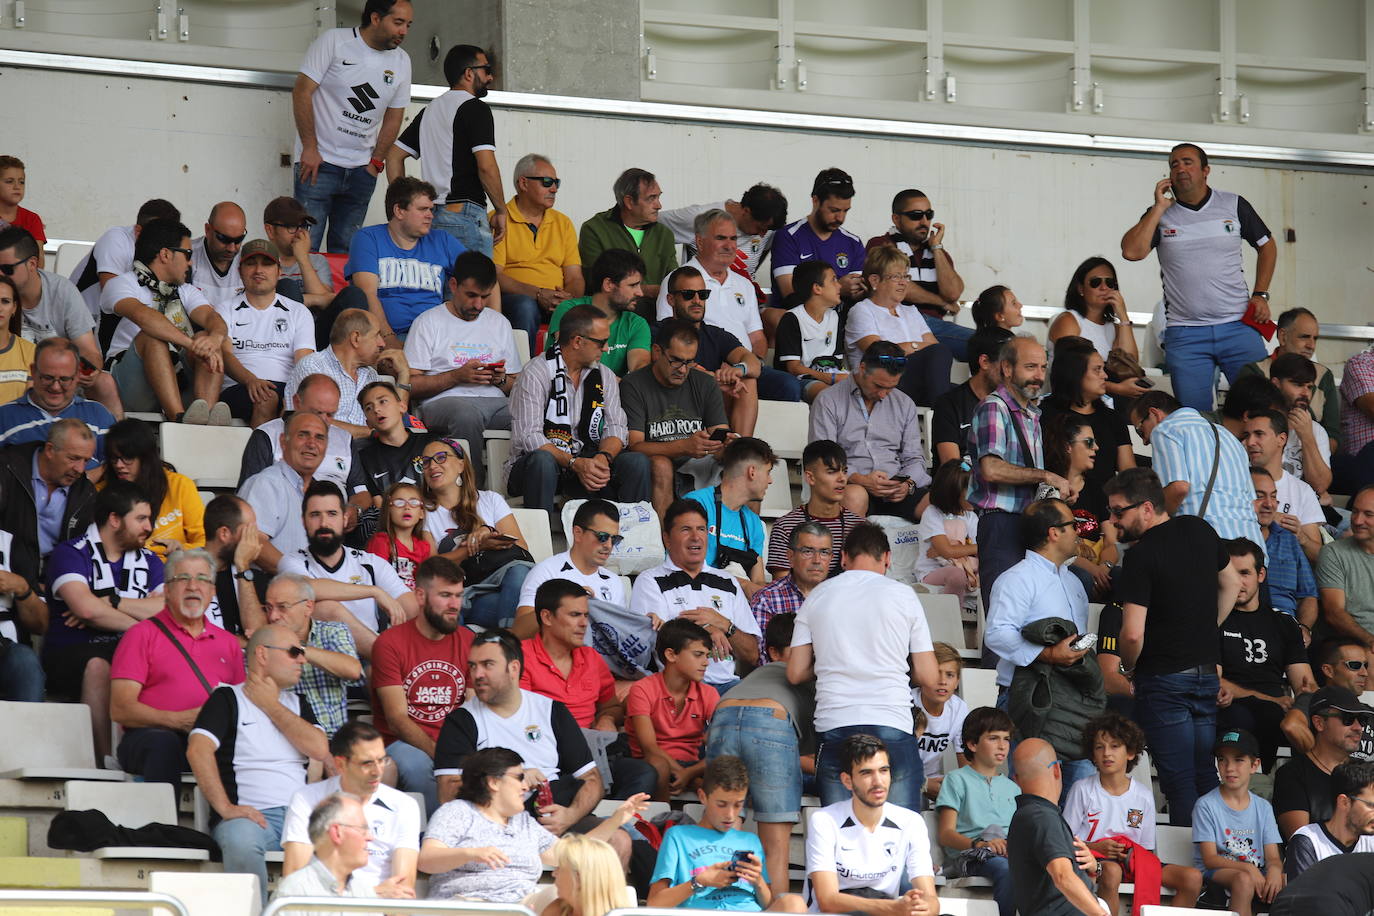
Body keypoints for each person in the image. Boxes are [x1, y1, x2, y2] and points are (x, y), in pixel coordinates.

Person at [1106, 467, 1241, 825]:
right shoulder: (1199, 528)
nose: (1113, 521)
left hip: (1163, 679)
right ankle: (1216, 854)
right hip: (1204, 672)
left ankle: (1195, 857)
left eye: (1119, 512)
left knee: (1180, 782)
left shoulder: (1141, 555)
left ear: (1147, 508)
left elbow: (1131, 635)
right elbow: (1232, 583)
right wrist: (1207, 627)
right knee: (1205, 775)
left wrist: (1128, 667)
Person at [432, 631, 629, 862]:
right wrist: (513, 781)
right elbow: (448, 793)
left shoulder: (551, 710)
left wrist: (570, 815)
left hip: (554, 818)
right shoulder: (462, 720)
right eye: (473, 666)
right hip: (493, 826)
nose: (477, 674)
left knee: (619, 840)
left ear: (514, 668)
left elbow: (592, 779)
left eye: (487, 665)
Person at [788, 522, 938, 809]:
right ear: (887, 558)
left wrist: (830, 662)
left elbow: (795, 672)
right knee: (898, 828)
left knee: (842, 829)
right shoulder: (904, 595)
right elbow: (929, 676)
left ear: (844, 557)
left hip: (835, 723)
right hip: (892, 721)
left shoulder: (818, 595)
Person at [1120, 142, 1275, 411]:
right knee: (1194, 416)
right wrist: (1158, 208)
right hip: (1185, 334)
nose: (1180, 168)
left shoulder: (1233, 204)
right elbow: (1131, 252)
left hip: (1238, 326)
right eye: (1174, 164)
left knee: (1260, 409)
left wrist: (1260, 294)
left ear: (1206, 170)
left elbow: (1267, 246)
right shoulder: (1160, 214)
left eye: (1187, 162)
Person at [186, 623, 330, 904]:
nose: (302, 659)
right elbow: (197, 750)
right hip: (251, 818)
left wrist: (270, 705)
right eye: (294, 652)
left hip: (299, 818)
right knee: (241, 840)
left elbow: (319, 748)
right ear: (262, 654)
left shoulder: (298, 702)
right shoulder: (227, 698)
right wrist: (225, 808)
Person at [419, 746, 646, 902]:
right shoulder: (457, 811)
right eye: (519, 777)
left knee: (569, 900)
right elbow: (426, 861)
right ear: (494, 782)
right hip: (468, 905)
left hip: (523, 906)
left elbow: (569, 853)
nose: (525, 786)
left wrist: (617, 819)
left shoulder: (523, 822)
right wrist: (471, 853)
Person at [985, 498, 1102, 793]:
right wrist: (1048, 654)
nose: (1078, 532)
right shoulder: (1017, 578)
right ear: (1054, 533)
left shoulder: (1075, 582)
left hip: (1074, 699)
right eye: (1072, 525)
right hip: (1031, 697)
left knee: (1079, 794)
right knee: (1037, 795)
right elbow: (997, 634)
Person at [42, 481, 165, 763]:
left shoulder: (150, 561)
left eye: (149, 519)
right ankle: (106, 762)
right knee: (99, 666)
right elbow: (86, 610)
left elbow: (165, 611)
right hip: (72, 653)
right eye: (141, 519)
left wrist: (111, 602)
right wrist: (141, 625)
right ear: (114, 519)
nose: (149, 527)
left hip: (132, 650)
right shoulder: (71, 552)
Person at [110, 548, 245, 784]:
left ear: (212, 591)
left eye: (202, 579)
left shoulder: (229, 643)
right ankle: (163, 811)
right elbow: (121, 709)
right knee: (163, 743)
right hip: (150, 738)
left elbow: (242, 708)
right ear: (167, 590)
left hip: (208, 739)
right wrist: (178, 720)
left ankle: (231, 810)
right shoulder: (141, 634)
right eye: (183, 578)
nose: (193, 586)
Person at [706, 613, 816, 899]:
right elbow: (814, 758)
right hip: (772, 718)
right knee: (775, 846)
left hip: (723, 716)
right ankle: (776, 910)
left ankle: (721, 906)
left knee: (725, 832)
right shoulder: (812, 675)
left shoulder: (758, 673)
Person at [518, 578, 656, 800]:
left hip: (591, 750)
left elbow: (610, 706)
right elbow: (521, 720)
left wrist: (607, 718)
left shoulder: (591, 657)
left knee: (644, 773)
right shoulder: (521, 658)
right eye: (575, 615)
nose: (584, 623)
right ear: (547, 617)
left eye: (586, 615)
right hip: (544, 753)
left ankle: (614, 820)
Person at [506, 302, 649, 513]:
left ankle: (634, 531)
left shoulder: (604, 375)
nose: (606, 348)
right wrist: (574, 463)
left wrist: (603, 458)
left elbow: (616, 428)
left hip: (588, 458)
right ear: (577, 341)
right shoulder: (536, 372)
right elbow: (530, 437)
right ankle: (540, 533)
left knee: (636, 462)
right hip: (540, 466)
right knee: (542, 461)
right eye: (601, 342)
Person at [292, 0, 412, 253]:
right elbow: (302, 92)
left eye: (408, 25)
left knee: (347, 254)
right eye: (398, 22)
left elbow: (394, 117)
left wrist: (376, 162)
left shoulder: (402, 60)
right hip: (318, 165)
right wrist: (310, 148)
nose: (404, 31)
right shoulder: (334, 41)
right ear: (376, 18)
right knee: (305, 249)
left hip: (361, 172)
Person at [969, 336, 1072, 617]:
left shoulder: (1031, 414)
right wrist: (1047, 477)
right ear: (1007, 368)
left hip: (1025, 523)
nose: (1039, 376)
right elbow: (991, 468)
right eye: (1030, 367)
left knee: (1029, 616)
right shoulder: (994, 407)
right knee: (1005, 616)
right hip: (1001, 523)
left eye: (1043, 367)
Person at [1063, 712, 1204, 915]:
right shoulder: (1083, 789)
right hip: (1095, 861)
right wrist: (1096, 847)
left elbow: (1146, 848)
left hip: (1133, 861)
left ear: (1130, 752)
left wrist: (1129, 854)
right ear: (1092, 754)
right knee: (1112, 871)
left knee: (1192, 878)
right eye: (1099, 747)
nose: (1106, 753)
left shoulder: (1143, 795)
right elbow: (1065, 840)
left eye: (1115, 746)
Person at [403, 249, 518, 488]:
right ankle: (471, 492)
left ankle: (517, 487)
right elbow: (410, 385)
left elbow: (516, 384)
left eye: (485, 297)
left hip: (495, 403)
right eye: (471, 295)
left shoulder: (499, 323)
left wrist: (499, 379)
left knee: (527, 413)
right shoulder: (428, 322)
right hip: (444, 403)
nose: (478, 304)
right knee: (466, 415)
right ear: (453, 285)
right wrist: (456, 376)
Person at [369, 556, 473, 815]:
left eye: (458, 596)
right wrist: (440, 753)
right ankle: (437, 834)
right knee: (418, 765)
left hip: (453, 741)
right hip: (402, 743)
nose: (454, 605)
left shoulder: (469, 640)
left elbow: (473, 708)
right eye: (445, 595)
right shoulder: (390, 643)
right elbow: (397, 719)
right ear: (420, 596)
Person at [101, 218, 231, 424]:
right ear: (165, 254)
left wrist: (214, 339)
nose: (191, 263)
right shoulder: (121, 284)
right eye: (188, 254)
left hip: (177, 375)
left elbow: (212, 318)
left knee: (205, 337)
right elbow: (145, 317)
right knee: (153, 337)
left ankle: (204, 418)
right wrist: (191, 344)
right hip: (130, 385)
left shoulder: (186, 291)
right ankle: (177, 419)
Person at [646, 754, 808, 912]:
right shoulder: (678, 836)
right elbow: (654, 904)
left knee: (794, 902)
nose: (730, 815)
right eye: (722, 804)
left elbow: (767, 905)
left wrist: (758, 881)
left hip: (749, 910)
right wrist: (700, 881)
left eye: (738, 805)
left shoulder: (750, 840)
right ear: (703, 797)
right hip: (703, 911)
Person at [630, 499, 761, 692]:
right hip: (680, 687)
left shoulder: (728, 581)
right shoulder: (650, 580)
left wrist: (725, 625)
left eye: (701, 529)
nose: (695, 537)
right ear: (667, 539)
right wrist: (707, 630)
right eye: (686, 530)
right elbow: (656, 641)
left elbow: (752, 654)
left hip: (728, 686)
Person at [388, 43, 506, 256]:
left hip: (431, 217)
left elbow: (394, 155)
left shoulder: (429, 111)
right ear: (469, 73)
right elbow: (486, 166)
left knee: (440, 278)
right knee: (476, 278)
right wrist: (501, 210)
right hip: (464, 215)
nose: (490, 77)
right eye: (486, 70)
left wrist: (405, 203)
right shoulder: (475, 108)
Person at [279, 480, 415, 659]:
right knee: (325, 608)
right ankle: (391, 660)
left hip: (370, 662)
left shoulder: (370, 563)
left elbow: (412, 608)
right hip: (317, 662)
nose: (324, 523)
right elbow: (307, 588)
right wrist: (375, 591)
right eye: (315, 515)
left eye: (332, 514)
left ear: (344, 519)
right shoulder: (292, 561)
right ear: (303, 521)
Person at [281, 721, 421, 896]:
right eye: (367, 763)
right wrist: (372, 894)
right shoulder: (307, 799)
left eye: (382, 760)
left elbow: (403, 890)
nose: (378, 771)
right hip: (321, 906)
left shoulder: (404, 805)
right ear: (340, 764)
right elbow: (294, 879)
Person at [805, 734, 938, 916]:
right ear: (847, 781)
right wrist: (893, 908)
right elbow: (827, 901)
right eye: (866, 773)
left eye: (883, 770)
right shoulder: (824, 820)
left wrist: (921, 908)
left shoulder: (912, 821)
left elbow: (931, 900)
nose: (878, 782)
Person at [0, 226, 121, 417]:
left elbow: (89, 351)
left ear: (32, 264)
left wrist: (88, 371)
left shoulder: (62, 291)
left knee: (104, 382)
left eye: (7, 269)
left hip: (60, 379)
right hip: (14, 376)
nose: (1, 275)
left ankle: (117, 436)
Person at [1218, 538, 1317, 769]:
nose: (1237, 582)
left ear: (1261, 575)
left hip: (1278, 710)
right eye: (1231, 574)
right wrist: (1272, 700)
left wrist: (1301, 706)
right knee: (1257, 715)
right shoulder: (1214, 620)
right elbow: (1214, 679)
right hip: (1232, 706)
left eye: (1245, 573)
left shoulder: (1284, 623)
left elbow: (1306, 683)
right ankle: (1260, 779)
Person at [810, 340, 931, 520]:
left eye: (891, 388)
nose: (883, 395)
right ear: (862, 368)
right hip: (849, 486)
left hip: (895, 489)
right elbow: (823, 459)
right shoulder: (828, 400)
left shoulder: (904, 403)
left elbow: (914, 458)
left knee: (940, 503)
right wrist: (859, 479)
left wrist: (907, 484)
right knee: (855, 496)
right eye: (878, 386)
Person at [418, 437, 531, 628]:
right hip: (468, 591)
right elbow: (431, 568)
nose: (432, 466)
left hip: (507, 579)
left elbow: (521, 548)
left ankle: (508, 639)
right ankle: (511, 640)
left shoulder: (490, 500)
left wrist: (488, 531)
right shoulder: (423, 513)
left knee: (519, 573)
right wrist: (475, 547)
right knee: (517, 607)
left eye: (441, 457)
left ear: (461, 465)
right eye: (426, 462)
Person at [621, 320, 730, 517]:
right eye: (676, 360)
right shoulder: (634, 384)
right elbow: (635, 446)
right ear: (657, 352)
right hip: (659, 467)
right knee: (661, 464)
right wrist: (683, 447)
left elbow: (719, 432)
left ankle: (747, 534)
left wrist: (727, 445)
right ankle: (665, 535)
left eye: (689, 362)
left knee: (748, 459)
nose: (682, 370)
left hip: (700, 464)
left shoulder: (706, 383)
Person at [337, 176, 465, 345]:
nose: (430, 215)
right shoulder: (368, 238)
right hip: (383, 337)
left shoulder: (442, 239)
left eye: (431, 209)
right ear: (399, 211)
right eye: (423, 209)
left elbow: (480, 276)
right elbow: (367, 294)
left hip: (435, 337)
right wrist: (389, 339)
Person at [1130, 391, 1265, 547]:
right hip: (1251, 545)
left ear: (1154, 414)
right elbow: (1253, 503)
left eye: (1140, 430)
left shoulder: (1165, 429)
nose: (1144, 441)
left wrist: (1149, 524)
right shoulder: (1230, 438)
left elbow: (1178, 488)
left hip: (1206, 543)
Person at [214, 239, 315, 427]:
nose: (258, 270)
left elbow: (305, 363)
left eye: (267, 264)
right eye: (251, 263)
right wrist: (251, 380)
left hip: (286, 387)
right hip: (238, 387)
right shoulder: (224, 309)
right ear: (240, 271)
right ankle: (261, 447)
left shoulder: (299, 312)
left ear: (279, 271)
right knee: (266, 397)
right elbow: (224, 354)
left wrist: (292, 397)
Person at [652, 210, 770, 370]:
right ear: (700, 242)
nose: (729, 246)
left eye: (733, 238)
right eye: (721, 238)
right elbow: (668, 337)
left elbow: (757, 338)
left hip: (744, 367)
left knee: (786, 382)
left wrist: (752, 366)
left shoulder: (745, 284)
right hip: (702, 370)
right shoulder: (677, 280)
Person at [662, 264, 767, 437]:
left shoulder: (716, 334)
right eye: (688, 294)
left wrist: (737, 370)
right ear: (671, 300)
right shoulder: (658, 331)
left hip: (708, 404)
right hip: (669, 404)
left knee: (747, 380)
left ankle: (741, 446)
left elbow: (754, 364)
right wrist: (715, 379)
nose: (697, 301)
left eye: (703, 294)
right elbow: (665, 367)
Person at [843, 245, 953, 408]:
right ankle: (940, 415)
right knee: (939, 355)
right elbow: (879, 353)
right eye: (896, 277)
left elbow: (934, 347)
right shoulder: (862, 310)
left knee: (964, 394)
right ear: (875, 280)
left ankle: (940, 411)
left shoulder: (911, 311)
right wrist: (917, 346)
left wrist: (907, 347)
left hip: (916, 382)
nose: (903, 283)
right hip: (881, 382)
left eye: (906, 276)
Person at [865, 188, 969, 359]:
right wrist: (942, 302)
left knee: (990, 345)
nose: (924, 221)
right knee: (984, 344)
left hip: (932, 326)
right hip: (900, 319)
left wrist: (937, 248)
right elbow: (900, 286)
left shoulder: (936, 251)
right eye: (916, 215)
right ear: (896, 219)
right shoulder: (881, 244)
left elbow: (953, 293)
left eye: (929, 215)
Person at [1007, 737, 1106, 916]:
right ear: (1056, 770)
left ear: (1016, 780)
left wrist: (1092, 868)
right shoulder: (1041, 816)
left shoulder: (1033, 815)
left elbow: (1058, 888)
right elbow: (1062, 876)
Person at [935, 707, 1020, 916]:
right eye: (993, 738)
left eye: (1006, 739)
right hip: (971, 855)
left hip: (1008, 853)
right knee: (1007, 869)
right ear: (972, 744)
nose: (1002, 746)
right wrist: (980, 844)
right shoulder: (956, 779)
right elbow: (946, 834)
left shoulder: (1013, 788)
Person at [494, 153, 584, 349]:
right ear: (523, 183)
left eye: (556, 183)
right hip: (516, 299)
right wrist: (538, 294)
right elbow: (495, 275)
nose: (554, 189)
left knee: (588, 309)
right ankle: (523, 366)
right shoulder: (499, 219)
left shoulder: (563, 222)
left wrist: (567, 298)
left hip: (556, 300)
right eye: (547, 182)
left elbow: (575, 277)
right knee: (525, 306)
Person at [1041, 338, 1136, 521]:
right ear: (1075, 373)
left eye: (1103, 369)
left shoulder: (1112, 418)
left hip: (1105, 513)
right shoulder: (1044, 415)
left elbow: (1128, 475)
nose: (1105, 376)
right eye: (1097, 369)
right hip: (1053, 510)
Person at [1192, 729, 1285, 916]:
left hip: (1256, 872)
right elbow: (1210, 859)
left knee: (1289, 881)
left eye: (1238, 760)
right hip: (1216, 872)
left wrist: (1275, 871)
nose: (1229, 768)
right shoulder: (1206, 805)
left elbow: (1273, 857)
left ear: (1254, 765)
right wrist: (1248, 868)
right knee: (1244, 880)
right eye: (1222, 760)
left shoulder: (1263, 807)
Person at [627, 618, 719, 800]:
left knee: (733, 761)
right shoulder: (642, 689)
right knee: (658, 764)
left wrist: (689, 773)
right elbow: (649, 747)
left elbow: (723, 745)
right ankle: (664, 815)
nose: (706, 662)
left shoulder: (709, 693)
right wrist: (683, 775)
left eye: (707, 656)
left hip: (692, 766)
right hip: (650, 765)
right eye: (698, 655)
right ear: (671, 655)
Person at [0, 416, 97, 587]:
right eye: (73, 458)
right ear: (50, 450)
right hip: (6, 579)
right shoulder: (7, 469)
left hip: (53, 587)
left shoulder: (85, 493)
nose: (80, 469)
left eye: (86, 461)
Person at [263, 573, 363, 737]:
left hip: (336, 740)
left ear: (308, 607)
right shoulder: (264, 645)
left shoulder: (332, 631)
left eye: (282, 607)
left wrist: (297, 648)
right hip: (289, 742)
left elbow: (353, 670)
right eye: (268, 608)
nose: (273, 616)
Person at [285, 308, 409, 438]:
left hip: (369, 448)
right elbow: (313, 421)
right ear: (355, 338)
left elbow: (394, 421)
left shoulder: (371, 374)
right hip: (325, 447)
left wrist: (404, 374)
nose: (382, 343)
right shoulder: (313, 367)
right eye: (376, 335)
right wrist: (374, 434)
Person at [512, 498, 627, 638]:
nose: (608, 545)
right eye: (602, 537)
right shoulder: (546, 572)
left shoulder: (615, 582)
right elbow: (519, 632)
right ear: (578, 533)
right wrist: (563, 602)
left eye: (614, 539)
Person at [275, 794, 416, 904]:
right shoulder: (295, 892)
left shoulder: (362, 890)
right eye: (363, 829)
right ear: (337, 833)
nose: (370, 837)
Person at [238, 373, 360, 499]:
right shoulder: (266, 435)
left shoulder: (345, 438)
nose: (323, 421)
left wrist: (354, 508)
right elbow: (250, 494)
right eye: (317, 412)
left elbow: (360, 490)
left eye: (330, 415)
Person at [1272, 685, 1370, 839]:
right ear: (1319, 723)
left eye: (1362, 720)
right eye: (1348, 719)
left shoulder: (1367, 773)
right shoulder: (1292, 775)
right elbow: (1304, 843)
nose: (1358, 727)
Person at [99, 418, 204, 559]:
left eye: (127, 458)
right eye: (114, 458)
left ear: (146, 457)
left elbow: (204, 541)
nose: (119, 465)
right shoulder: (102, 492)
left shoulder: (180, 485)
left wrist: (182, 549)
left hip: (174, 566)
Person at [1236, 307, 1340, 448]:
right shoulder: (1254, 372)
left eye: (1315, 338)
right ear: (1283, 336)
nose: (1311, 345)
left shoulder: (1323, 376)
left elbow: (1333, 437)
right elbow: (1240, 426)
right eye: (1304, 337)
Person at [239, 410, 330, 571]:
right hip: (273, 583)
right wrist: (305, 578)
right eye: (302, 435)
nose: (311, 444)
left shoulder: (322, 493)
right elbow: (255, 543)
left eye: (319, 437)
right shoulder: (266, 484)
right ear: (283, 442)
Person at [70, 198, 180, 330]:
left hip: (122, 325)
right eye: (158, 237)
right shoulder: (115, 239)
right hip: (83, 322)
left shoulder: (168, 251)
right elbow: (112, 295)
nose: (165, 244)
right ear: (138, 231)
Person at [1050, 258, 1152, 399]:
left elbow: (1130, 363)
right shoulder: (1069, 320)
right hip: (1075, 400)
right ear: (1080, 289)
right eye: (1095, 282)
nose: (1104, 288)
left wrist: (1123, 316)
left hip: (1108, 399)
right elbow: (1070, 372)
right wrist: (1117, 388)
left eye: (1109, 283)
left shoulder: (1116, 327)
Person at [769, 168, 866, 313]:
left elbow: (859, 296)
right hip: (798, 323)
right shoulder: (788, 236)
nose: (840, 218)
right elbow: (791, 297)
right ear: (815, 201)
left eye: (845, 211)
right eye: (834, 210)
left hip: (842, 323)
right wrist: (838, 287)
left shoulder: (853, 242)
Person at [0, 337, 116, 458]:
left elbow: (116, 466)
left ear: (77, 375)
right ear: (33, 371)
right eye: (48, 378)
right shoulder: (4, 417)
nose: (55, 387)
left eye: (64, 379)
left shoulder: (98, 415)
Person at [685, 436, 773, 596]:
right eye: (768, 472)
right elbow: (685, 566)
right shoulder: (697, 504)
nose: (770, 481)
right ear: (752, 472)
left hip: (735, 604)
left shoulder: (753, 522)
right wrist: (742, 583)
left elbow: (758, 581)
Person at [546, 248, 652, 376]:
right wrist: (613, 383)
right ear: (608, 284)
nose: (640, 293)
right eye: (633, 285)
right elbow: (571, 361)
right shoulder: (569, 310)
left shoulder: (637, 324)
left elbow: (640, 371)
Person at [764, 440, 860, 580]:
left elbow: (867, 581)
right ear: (810, 477)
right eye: (831, 472)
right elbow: (782, 587)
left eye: (844, 471)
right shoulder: (785, 527)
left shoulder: (859, 527)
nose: (842, 479)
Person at [578, 168, 676, 298]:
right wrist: (647, 291)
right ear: (629, 202)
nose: (659, 205)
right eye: (651, 198)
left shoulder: (664, 234)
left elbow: (674, 280)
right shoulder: (594, 229)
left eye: (658, 197)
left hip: (657, 309)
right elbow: (596, 283)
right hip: (612, 309)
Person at [658, 183, 788, 281]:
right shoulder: (700, 217)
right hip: (701, 298)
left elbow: (765, 248)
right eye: (760, 228)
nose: (762, 235)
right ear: (746, 211)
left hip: (743, 297)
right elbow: (652, 221)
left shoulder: (768, 227)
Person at [1242, 410, 1324, 564]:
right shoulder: (1234, 482)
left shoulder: (1302, 490)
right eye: (1247, 435)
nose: (1250, 442)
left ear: (1281, 439)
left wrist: (1301, 537)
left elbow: (1319, 557)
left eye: (1259, 434)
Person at [1280, 638, 1374, 761]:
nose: (1364, 673)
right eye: (1355, 666)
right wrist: (1323, 763)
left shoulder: (1368, 711)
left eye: (1365, 666)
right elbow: (1292, 726)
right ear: (1329, 670)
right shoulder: (1315, 700)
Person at [931, 327, 1011, 466]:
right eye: (1007, 365)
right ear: (984, 362)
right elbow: (952, 468)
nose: (1012, 372)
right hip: (963, 479)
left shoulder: (1015, 405)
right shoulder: (948, 404)